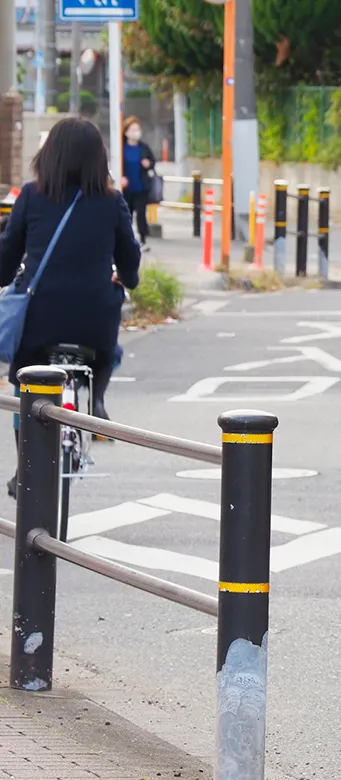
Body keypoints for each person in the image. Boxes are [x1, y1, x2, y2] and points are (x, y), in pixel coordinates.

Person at [0, 116, 141, 497]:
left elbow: (7, 256)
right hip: (92, 319)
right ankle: (96, 399)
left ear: (50, 155)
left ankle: (25, 469)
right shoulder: (112, 202)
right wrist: (126, 280)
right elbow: (129, 257)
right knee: (107, 352)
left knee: (24, 381)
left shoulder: (30, 196)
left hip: (40, 316)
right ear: (99, 159)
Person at [120, 116, 155, 249]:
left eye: (137, 129)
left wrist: (148, 164)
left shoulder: (144, 147)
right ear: (126, 131)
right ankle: (127, 240)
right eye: (132, 129)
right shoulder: (121, 148)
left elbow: (152, 163)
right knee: (126, 215)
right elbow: (117, 165)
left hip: (141, 187)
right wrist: (121, 177)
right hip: (126, 188)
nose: (136, 132)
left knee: (141, 213)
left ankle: (143, 239)